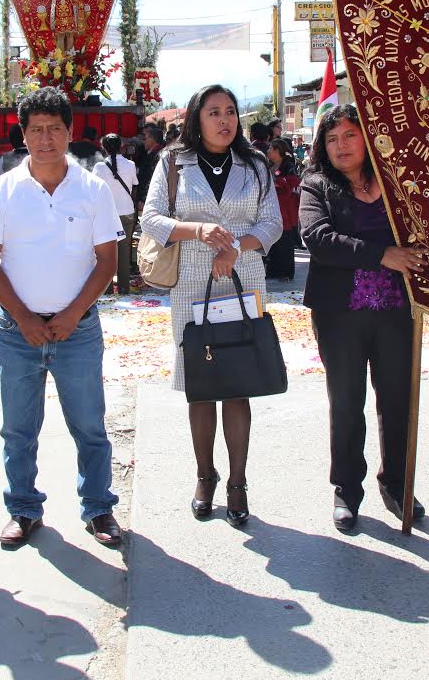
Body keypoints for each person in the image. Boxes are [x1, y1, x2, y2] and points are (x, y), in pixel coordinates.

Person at [0, 87, 124, 549]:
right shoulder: (1, 191)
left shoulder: (94, 189)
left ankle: (98, 508)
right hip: (18, 333)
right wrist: (23, 319)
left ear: (70, 131)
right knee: (18, 428)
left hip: (77, 330)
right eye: (36, 129)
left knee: (90, 426)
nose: (46, 138)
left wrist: (75, 313)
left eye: (55, 128)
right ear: (23, 134)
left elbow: (107, 261)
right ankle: (22, 508)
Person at [141, 84, 282, 527]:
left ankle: (238, 482)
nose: (224, 120)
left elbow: (273, 222)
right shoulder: (172, 163)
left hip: (243, 277)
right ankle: (205, 476)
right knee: (200, 383)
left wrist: (236, 246)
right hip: (191, 280)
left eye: (231, 112)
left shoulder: (256, 164)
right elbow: (150, 218)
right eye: (214, 112)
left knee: (238, 379)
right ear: (196, 120)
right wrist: (196, 231)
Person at [299, 105, 425, 530]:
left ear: (367, 137)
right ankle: (346, 489)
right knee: (347, 403)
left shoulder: (395, 183)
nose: (341, 146)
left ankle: (397, 483)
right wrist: (381, 255)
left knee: (396, 400)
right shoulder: (316, 186)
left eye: (350, 135)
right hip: (341, 314)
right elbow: (318, 239)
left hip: (397, 311)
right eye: (332, 139)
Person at [92, 133, 139, 295]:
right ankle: (124, 289)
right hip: (127, 212)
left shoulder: (99, 167)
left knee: (105, 253)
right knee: (124, 252)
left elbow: (93, 191)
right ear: (121, 146)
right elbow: (134, 187)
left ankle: (108, 289)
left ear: (104, 147)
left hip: (106, 215)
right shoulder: (130, 164)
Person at [265, 138, 301, 281]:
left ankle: (286, 272)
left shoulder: (288, 165)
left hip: (286, 207)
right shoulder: (269, 166)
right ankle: (273, 270)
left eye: (270, 149)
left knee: (285, 240)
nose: (268, 151)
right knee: (273, 239)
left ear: (277, 151)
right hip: (272, 205)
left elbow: (294, 182)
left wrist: (280, 183)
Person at [137, 125, 164, 209]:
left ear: (152, 139)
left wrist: (144, 199)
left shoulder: (157, 155)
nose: (143, 142)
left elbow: (151, 178)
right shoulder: (155, 153)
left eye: (145, 139)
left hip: (150, 201)